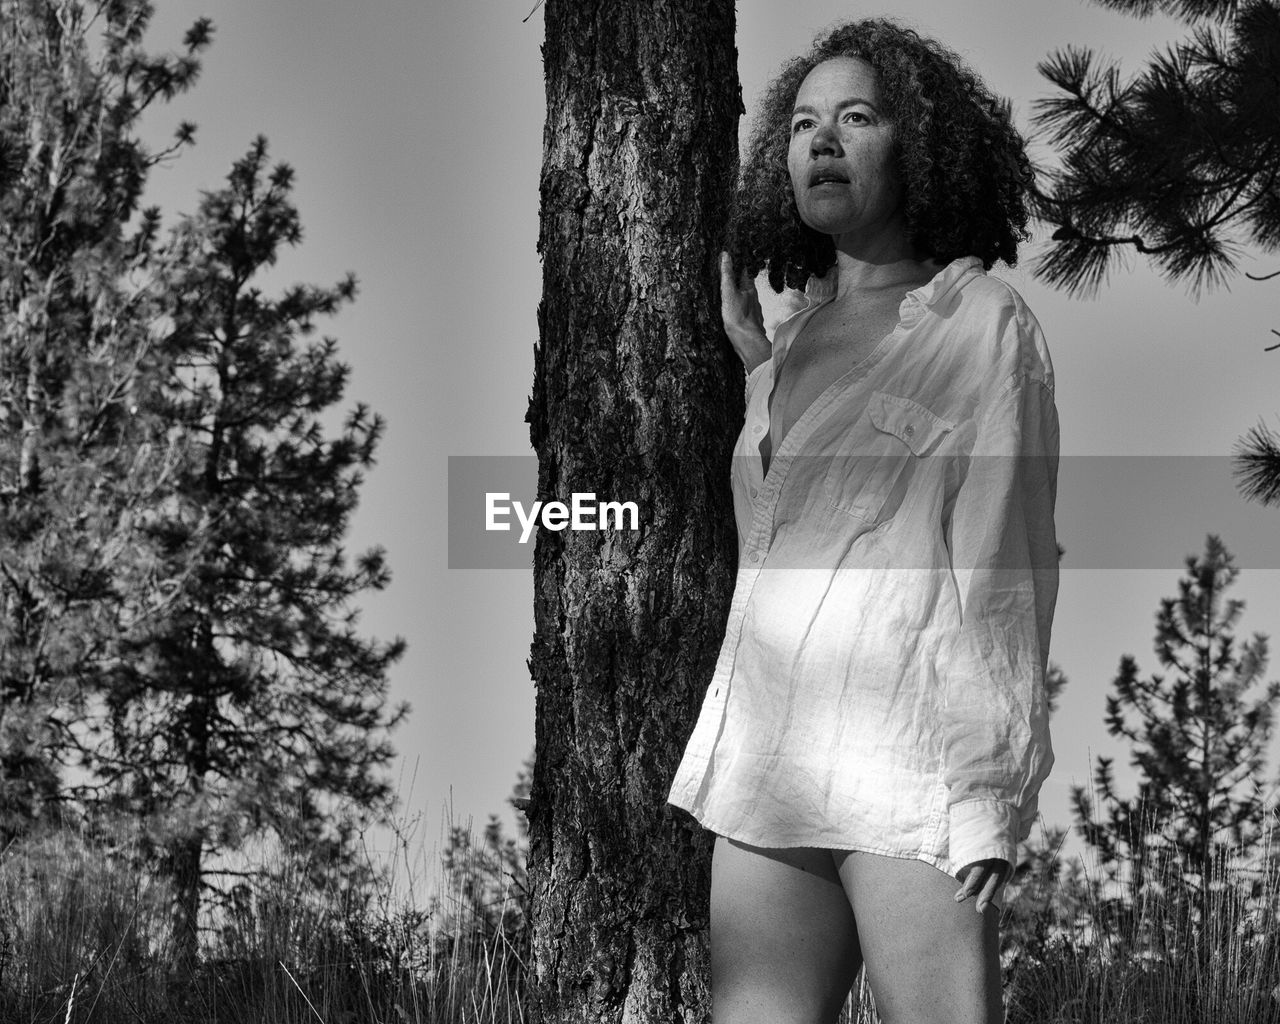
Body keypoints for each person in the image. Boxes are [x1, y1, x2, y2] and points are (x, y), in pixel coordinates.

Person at [666, 18, 1060, 1024]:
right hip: (766, 763)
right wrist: (760, 368)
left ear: (915, 150)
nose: (821, 140)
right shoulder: (787, 347)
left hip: (909, 761)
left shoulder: (980, 324)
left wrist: (986, 796)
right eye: (803, 123)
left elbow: (1001, 561)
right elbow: (794, 533)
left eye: (855, 117)